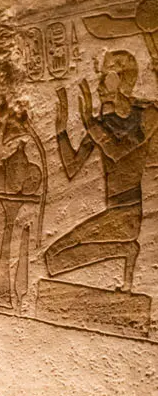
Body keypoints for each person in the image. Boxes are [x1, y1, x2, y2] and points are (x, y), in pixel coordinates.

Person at [45, 50, 158, 288]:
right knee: (52, 258)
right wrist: (61, 129)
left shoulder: (148, 116)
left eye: (104, 78)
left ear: (118, 80)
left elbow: (117, 152)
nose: (98, 86)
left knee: (55, 258)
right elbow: (72, 166)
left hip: (128, 214)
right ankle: (125, 249)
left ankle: (126, 249)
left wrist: (88, 122)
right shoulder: (103, 123)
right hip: (112, 215)